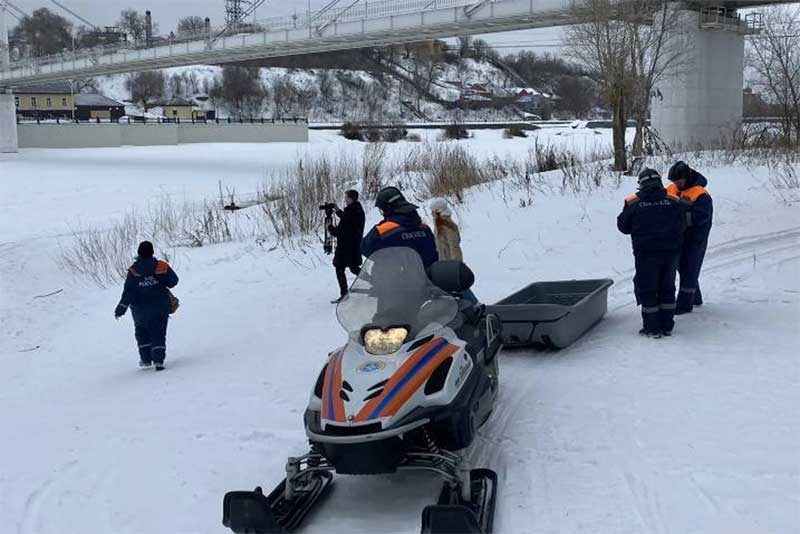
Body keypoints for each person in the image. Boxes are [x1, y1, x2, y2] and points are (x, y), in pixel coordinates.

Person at [617, 168, 686, 338]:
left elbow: (623, 226)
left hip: (645, 254)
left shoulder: (633, 202)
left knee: (648, 289)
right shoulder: (674, 200)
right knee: (667, 287)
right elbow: (683, 224)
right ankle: (667, 326)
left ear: (641, 184)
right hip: (671, 253)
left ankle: (652, 328)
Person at [114, 241, 179, 371]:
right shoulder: (161, 266)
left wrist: (121, 308)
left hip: (139, 310)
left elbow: (128, 291)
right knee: (158, 333)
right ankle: (158, 361)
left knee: (142, 332)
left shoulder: (134, 270)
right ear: (152, 252)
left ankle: (146, 360)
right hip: (160, 306)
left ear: (139, 253)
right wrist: (159, 280)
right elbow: (173, 281)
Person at [667, 161, 713, 315]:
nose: (676, 184)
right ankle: (695, 298)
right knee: (683, 268)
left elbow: (700, 218)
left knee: (690, 269)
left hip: (695, 239)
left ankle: (684, 305)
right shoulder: (671, 188)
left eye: (679, 181)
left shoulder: (701, 195)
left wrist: (677, 218)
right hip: (678, 236)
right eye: (674, 181)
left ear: (687, 177)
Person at [361, 186, 438, 267]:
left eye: (382, 209)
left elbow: (364, 248)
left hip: (396, 277)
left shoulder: (383, 230)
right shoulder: (424, 228)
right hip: (426, 277)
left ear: (387, 208)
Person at [329, 190, 365, 304]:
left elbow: (341, 231)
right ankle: (375, 282)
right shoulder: (357, 209)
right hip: (353, 245)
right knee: (354, 268)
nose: (345, 199)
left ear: (351, 199)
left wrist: (330, 227)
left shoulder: (352, 212)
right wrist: (337, 210)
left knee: (339, 269)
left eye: (346, 197)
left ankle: (344, 294)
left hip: (346, 247)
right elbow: (346, 218)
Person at [429, 198, 463, 262]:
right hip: (443, 262)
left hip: (450, 264)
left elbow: (454, 248)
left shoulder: (448, 227)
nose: (431, 214)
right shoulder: (438, 224)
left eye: (433, 211)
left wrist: (455, 265)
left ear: (438, 212)